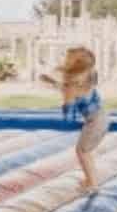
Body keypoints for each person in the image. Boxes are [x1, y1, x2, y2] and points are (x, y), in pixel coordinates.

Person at [40, 46, 109, 191]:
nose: (64, 60)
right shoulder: (87, 75)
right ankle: (91, 179)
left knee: (82, 151)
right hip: (102, 116)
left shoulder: (72, 84)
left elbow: (69, 110)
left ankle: (92, 183)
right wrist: (56, 84)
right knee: (86, 152)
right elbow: (75, 89)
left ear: (75, 64)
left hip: (95, 121)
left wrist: (65, 107)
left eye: (67, 58)